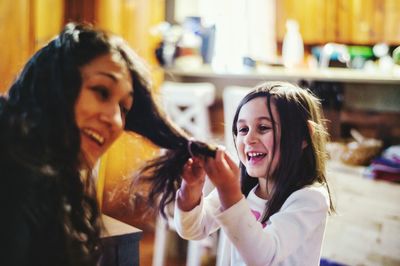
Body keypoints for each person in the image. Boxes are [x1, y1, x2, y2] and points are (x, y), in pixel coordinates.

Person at [0, 22, 216, 266]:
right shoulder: (15, 177)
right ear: (54, 83)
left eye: (124, 108)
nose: (115, 120)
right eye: (101, 92)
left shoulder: (55, 179)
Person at [173, 81, 336, 266]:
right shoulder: (241, 186)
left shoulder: (310, 198)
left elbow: (264, 257)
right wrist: (191, 190)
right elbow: (193, 229)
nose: (249, 139)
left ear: (303, 137)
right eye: (243, 129)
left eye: (264, 128)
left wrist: (229, 191)